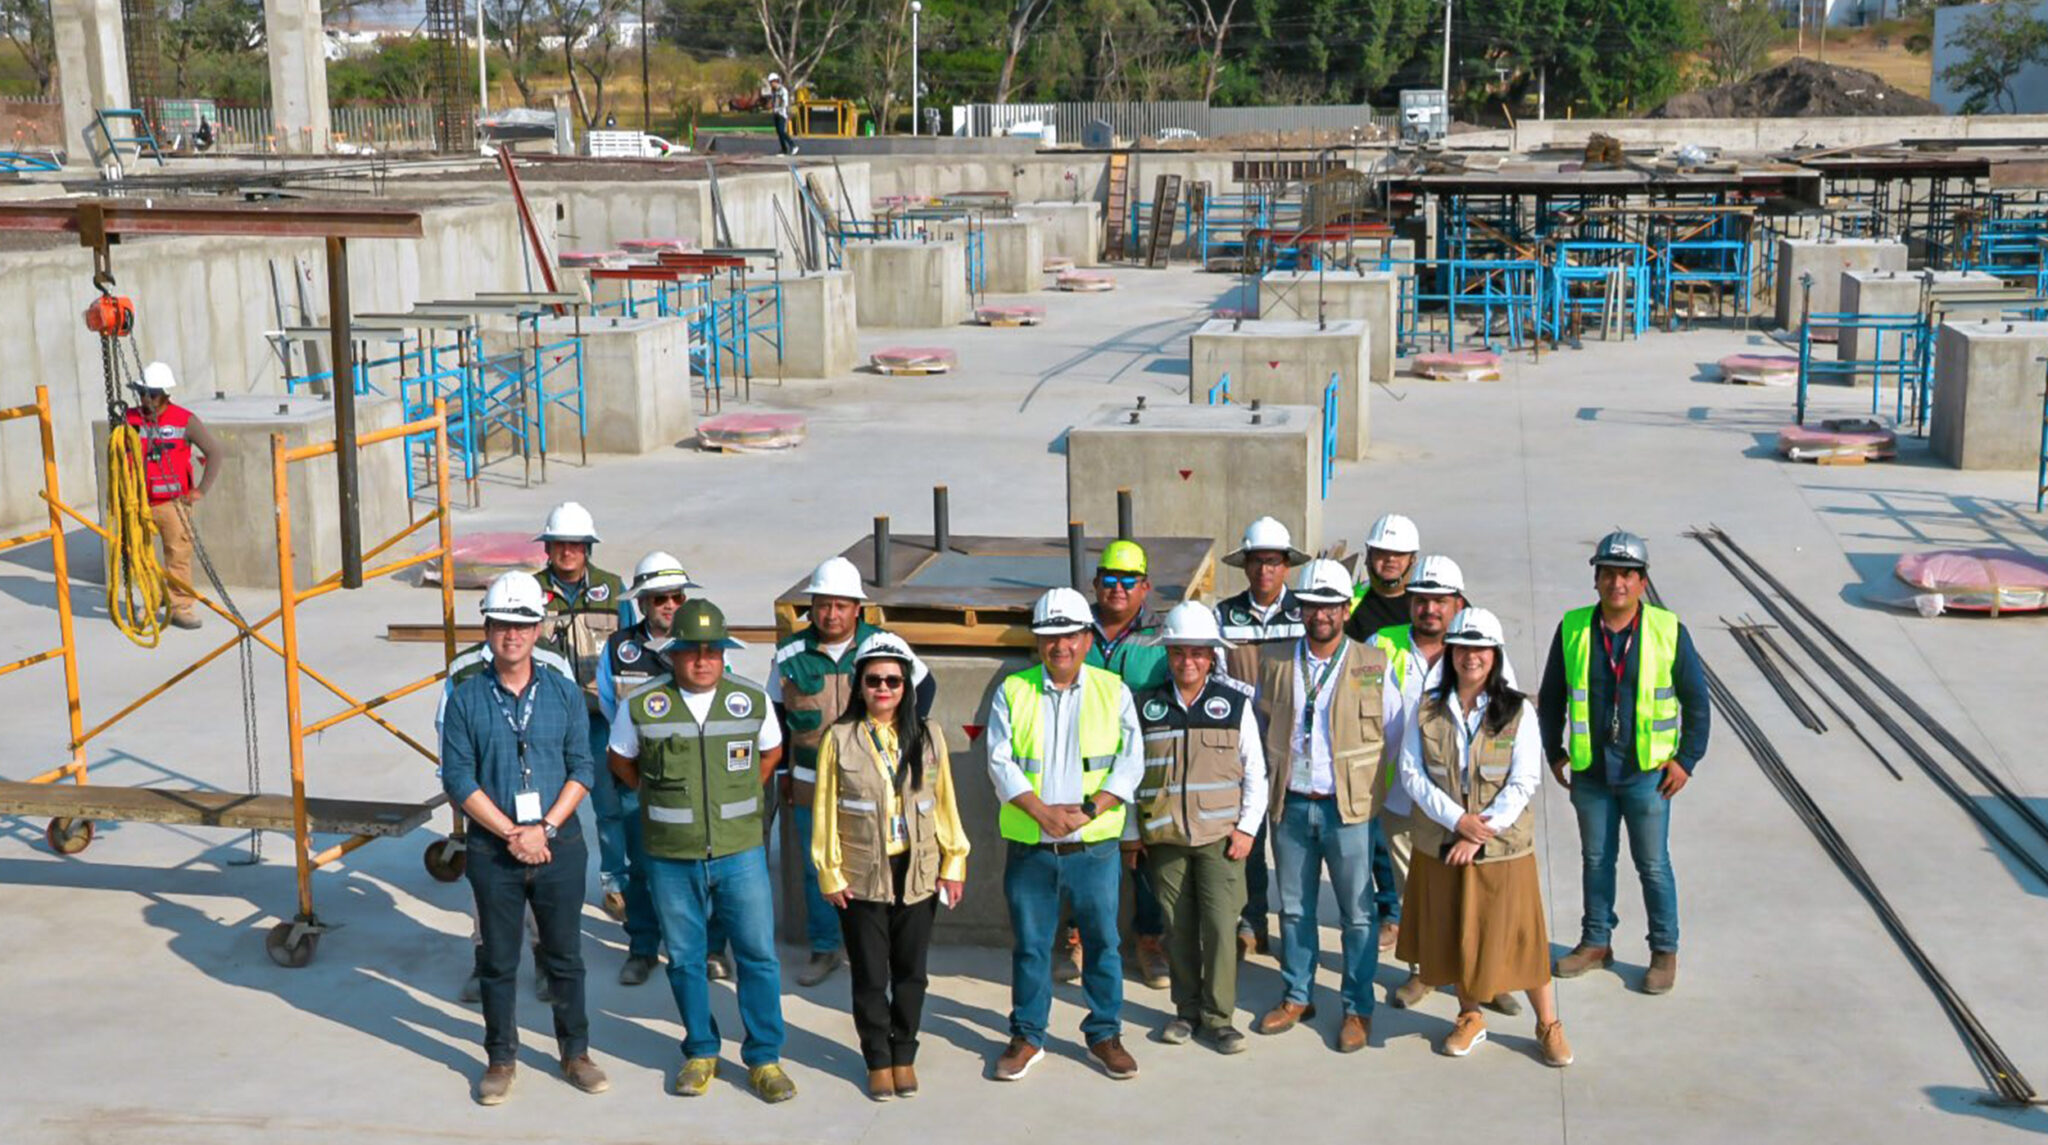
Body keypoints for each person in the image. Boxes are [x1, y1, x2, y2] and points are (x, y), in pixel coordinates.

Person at [608, 598, 796, 1103]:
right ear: (674, 654)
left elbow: (772, 752)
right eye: (692, 651)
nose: (702, 660)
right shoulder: (643, 704)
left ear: (724, 654)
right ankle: (700, 1049)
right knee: (686, 958)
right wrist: (655, 798)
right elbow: (620, 759)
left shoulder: (750, 701)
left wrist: (741, 800)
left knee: (757, 956)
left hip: (740, 853)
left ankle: (764, 1058)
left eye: (713, 651)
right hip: (671, 855)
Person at [439, 571, 608, 1106]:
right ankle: (500, 1058)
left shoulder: (562, 694)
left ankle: (575, 1052)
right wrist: (513, 832)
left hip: (558, 848)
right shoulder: (466, 699)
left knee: (565, 957)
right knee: (497, 959)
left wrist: (547, 829)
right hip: (495, 850)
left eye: (522, 625)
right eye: (501, 625)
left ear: (538, 630)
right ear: (487, 630)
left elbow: (583, 767)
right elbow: (458, 778)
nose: (511, 635)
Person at [1394, 607, 1573, 1067]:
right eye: (1463, 648)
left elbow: (1524, 779)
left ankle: (1548, 1025)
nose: (1471, 657)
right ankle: (1469, 1016)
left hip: (1502, 848)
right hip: (1443, 843)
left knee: (1522, 937)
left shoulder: (1518, 711)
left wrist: (1480, 831)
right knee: (1456, 932)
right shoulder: (1429, 708)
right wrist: (1458, 821)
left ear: (1494, 656)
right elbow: (1412, 774)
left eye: (1480, 649)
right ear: (1450, 653)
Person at [1537, 530, 1709, 996]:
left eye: (1627, 575)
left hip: (1647, 775)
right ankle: (1596, 941)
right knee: (1596, 860)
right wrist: (1554, 750)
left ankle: (1663, 951)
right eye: (1609, 574)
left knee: (1652, 864)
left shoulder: (1668, 629)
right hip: (1592, 772)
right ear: (1596, 579)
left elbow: (1697, 701)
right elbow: (1551, 696)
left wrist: (1686, 760)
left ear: (1642, 582)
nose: (1617, 583)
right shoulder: (1573, 628)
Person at [986, 587, 1144, 1083]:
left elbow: (1130, 761)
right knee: (1031, 945)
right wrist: (1039, 811)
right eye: (1050, 636)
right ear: (1039, 641)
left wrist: (1092, 810)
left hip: (1093, 847)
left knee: (1103, 942)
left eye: (1070, 635)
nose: (1061, 646)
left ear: (1086, 637)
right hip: (1033, 845)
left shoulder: (1112, 689)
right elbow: (999, 759)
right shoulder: (1014, 690)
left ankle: (1104, 1033)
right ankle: (1028, 1035)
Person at [811, 632, 969, 1101]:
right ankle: (877, 1058)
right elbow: (824, 811)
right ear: (860, 685)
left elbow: (944, 805)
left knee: (911, 973)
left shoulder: (929, 735)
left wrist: (953, 863)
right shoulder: (838, 739)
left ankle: (905, 1053)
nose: (883, 689)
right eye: (874, 680)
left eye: (893, 681)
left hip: (917, 872)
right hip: (861, 876)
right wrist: (829, 871)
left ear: (907, 687)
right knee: (870, 976)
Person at [1367, 555, 1522, 1017]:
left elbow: (1507, 721)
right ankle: (1426, 970)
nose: (1429, 609)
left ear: (1458, 602)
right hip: (1404, 795)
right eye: (1422, 600)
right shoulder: (1381, 643)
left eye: (1440, 600)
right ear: (1409, 602)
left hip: (1472, 803)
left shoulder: (1480, 650)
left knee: (1479, 891)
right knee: (1418, 892)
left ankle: (1485, 977)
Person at [772, 556, 935, 988]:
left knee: (878, 862)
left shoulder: (883, 644)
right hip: (810, 781)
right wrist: (782, 773)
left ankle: (873, 947)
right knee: (820, 867)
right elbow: (776, 714)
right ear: (813, 607)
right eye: (823, 605)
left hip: (874, 783)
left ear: (856, 609)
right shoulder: (790, 654)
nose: (831, 614)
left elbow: (925, 686)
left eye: (841, 606)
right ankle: (825, 947)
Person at [1252, 558, 1389, 1054]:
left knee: (1357, 914)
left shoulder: (1374, 664)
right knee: (1292, 909)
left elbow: (1391, 734)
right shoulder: (1276, 663)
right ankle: (1297, 995)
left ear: (1346, 608)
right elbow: (1261, 725)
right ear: (1301, 610)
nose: (1321, 615)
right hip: (1291, 805)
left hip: (1346, 810)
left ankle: (1357, 1008)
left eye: (1330, 605)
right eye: (1311, 606)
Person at [1129, 602, 1267, 1055]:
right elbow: (1128, 773)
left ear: (1212, 657)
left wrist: (1247, 829)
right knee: (1179, 928)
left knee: (1222, 929)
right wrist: (1133, 833)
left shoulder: (1234, 706)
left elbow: (1256, 773)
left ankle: (1219, 1019)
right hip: (1165, 841)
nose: (1187, 661)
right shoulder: (1144, 706)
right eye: (1178, 652)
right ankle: (1185, 1011)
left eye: (1197, 653)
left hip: (1221, 840)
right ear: (1167, 655)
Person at [593, 551, 701, 988]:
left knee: (695, 866)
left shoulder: (702, 641)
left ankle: (702, 948)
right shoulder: (619, 648)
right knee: (640, 866)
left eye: (676, 597)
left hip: (690, 778)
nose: (670, 606)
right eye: (660, 599)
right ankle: (642, 947)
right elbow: (607, 703)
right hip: (638, 777)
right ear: (642, 604)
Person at [532, 502, 636, 924]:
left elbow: (630, 652)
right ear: (548, 547)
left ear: (589, 548)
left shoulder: (614, 590)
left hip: (601, 718)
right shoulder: (529, 591)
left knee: (610, 805)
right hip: (546, 721)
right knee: (545, 805)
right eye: (560, 544)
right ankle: (547, 878)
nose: (568, 551)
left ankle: (616, 883)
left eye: (576, 544)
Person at [1212, 516, 1307, 960]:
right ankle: (1252, 922)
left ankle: (1296, 927)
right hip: (1242, 747)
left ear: (1286, 566)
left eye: (1273, 562)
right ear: (1245, 566)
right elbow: (1214, 673)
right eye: (1257, 562)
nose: (1264, 570)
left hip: (1295, 748)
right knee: (1247, 838)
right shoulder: (1223, 614)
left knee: (1293, 843)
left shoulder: (1306, 613)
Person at [1078, 539, 1171, 988]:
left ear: (1145, 586)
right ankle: (1075, 936)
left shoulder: (1161, 635)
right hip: (1085, 765)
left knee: (1145, 855)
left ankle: (1149, 940)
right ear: (1096, 582)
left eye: (1128, 581)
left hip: (1147, 761)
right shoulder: (1077, 628)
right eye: (1109, 579)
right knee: (1080, 850)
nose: (1117, 588)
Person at [123, 361, 227, 630]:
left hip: (173, 503)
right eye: (142, 393)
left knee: (178, 554)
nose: (146, 399)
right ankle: (150, 600)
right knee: (139, 556)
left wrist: (200, 490)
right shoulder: (129, 420)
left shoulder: (185, 420)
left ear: (166, 394)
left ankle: (180, 607)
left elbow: (214, 452)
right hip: (138, 502)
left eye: (152, 394)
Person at [1345, 513, 1418, 643]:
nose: (1390, 559)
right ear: (1369, 555)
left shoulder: (1430, 604)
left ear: (1412, 559)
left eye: (1399, 553)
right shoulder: (1347, 603)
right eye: (1382, 551)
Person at [768, 73, 797, 155]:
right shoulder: (773, 91)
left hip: (782, 114)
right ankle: (784, 149)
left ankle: (793, 145)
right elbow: (774, 101)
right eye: (770, 82)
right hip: (776, 113)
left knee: (781, 131)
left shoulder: (782, 90)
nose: (771, 84)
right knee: (779, 132)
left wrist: (779, 109)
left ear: (776, 81)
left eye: (772, 82)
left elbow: (785, 103)